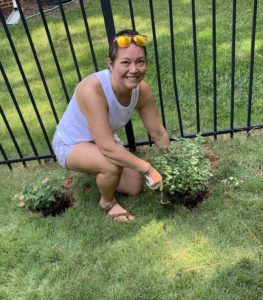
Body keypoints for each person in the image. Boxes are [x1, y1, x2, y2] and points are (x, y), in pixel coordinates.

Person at [52, 29, 170, 222]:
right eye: (125, 62)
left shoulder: (142, 91)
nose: (134, 69)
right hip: (72, 144)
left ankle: (99, 170)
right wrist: (148, 168)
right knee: (111, 164)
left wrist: (172, 165)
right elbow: (107, 147)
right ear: (111, 64)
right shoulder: (93, 89)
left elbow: (157, 132)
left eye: (140, 61)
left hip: (102, 137)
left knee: (134, 187)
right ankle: (107, 202)